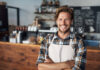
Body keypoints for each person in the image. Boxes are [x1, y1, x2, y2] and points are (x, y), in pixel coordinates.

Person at [36, 6, 86, 70]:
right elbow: (40, 67)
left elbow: (79, 69)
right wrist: (66, 65)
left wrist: (51, 65)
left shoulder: (79, 42)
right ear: (56, 21)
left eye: (66, 19)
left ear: (71, 21)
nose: (63, 23)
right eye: (60, 19)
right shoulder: (47, 39)